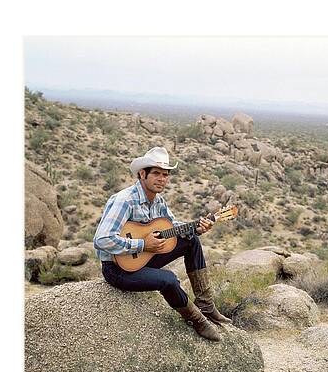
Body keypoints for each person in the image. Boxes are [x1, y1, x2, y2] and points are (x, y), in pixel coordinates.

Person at [93, 146, 231, 342]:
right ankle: (196, 320)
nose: (162, 179)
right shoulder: (125, 200)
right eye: (156, 173)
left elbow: (173, 227)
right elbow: (101, 239)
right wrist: (142, 245)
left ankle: (206, 306)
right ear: (142, 174)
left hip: (143, 260)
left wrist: (196, 228)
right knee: (168, 279)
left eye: (165, 175)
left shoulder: (158, 201)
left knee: (192, 240)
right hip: (117, 269)